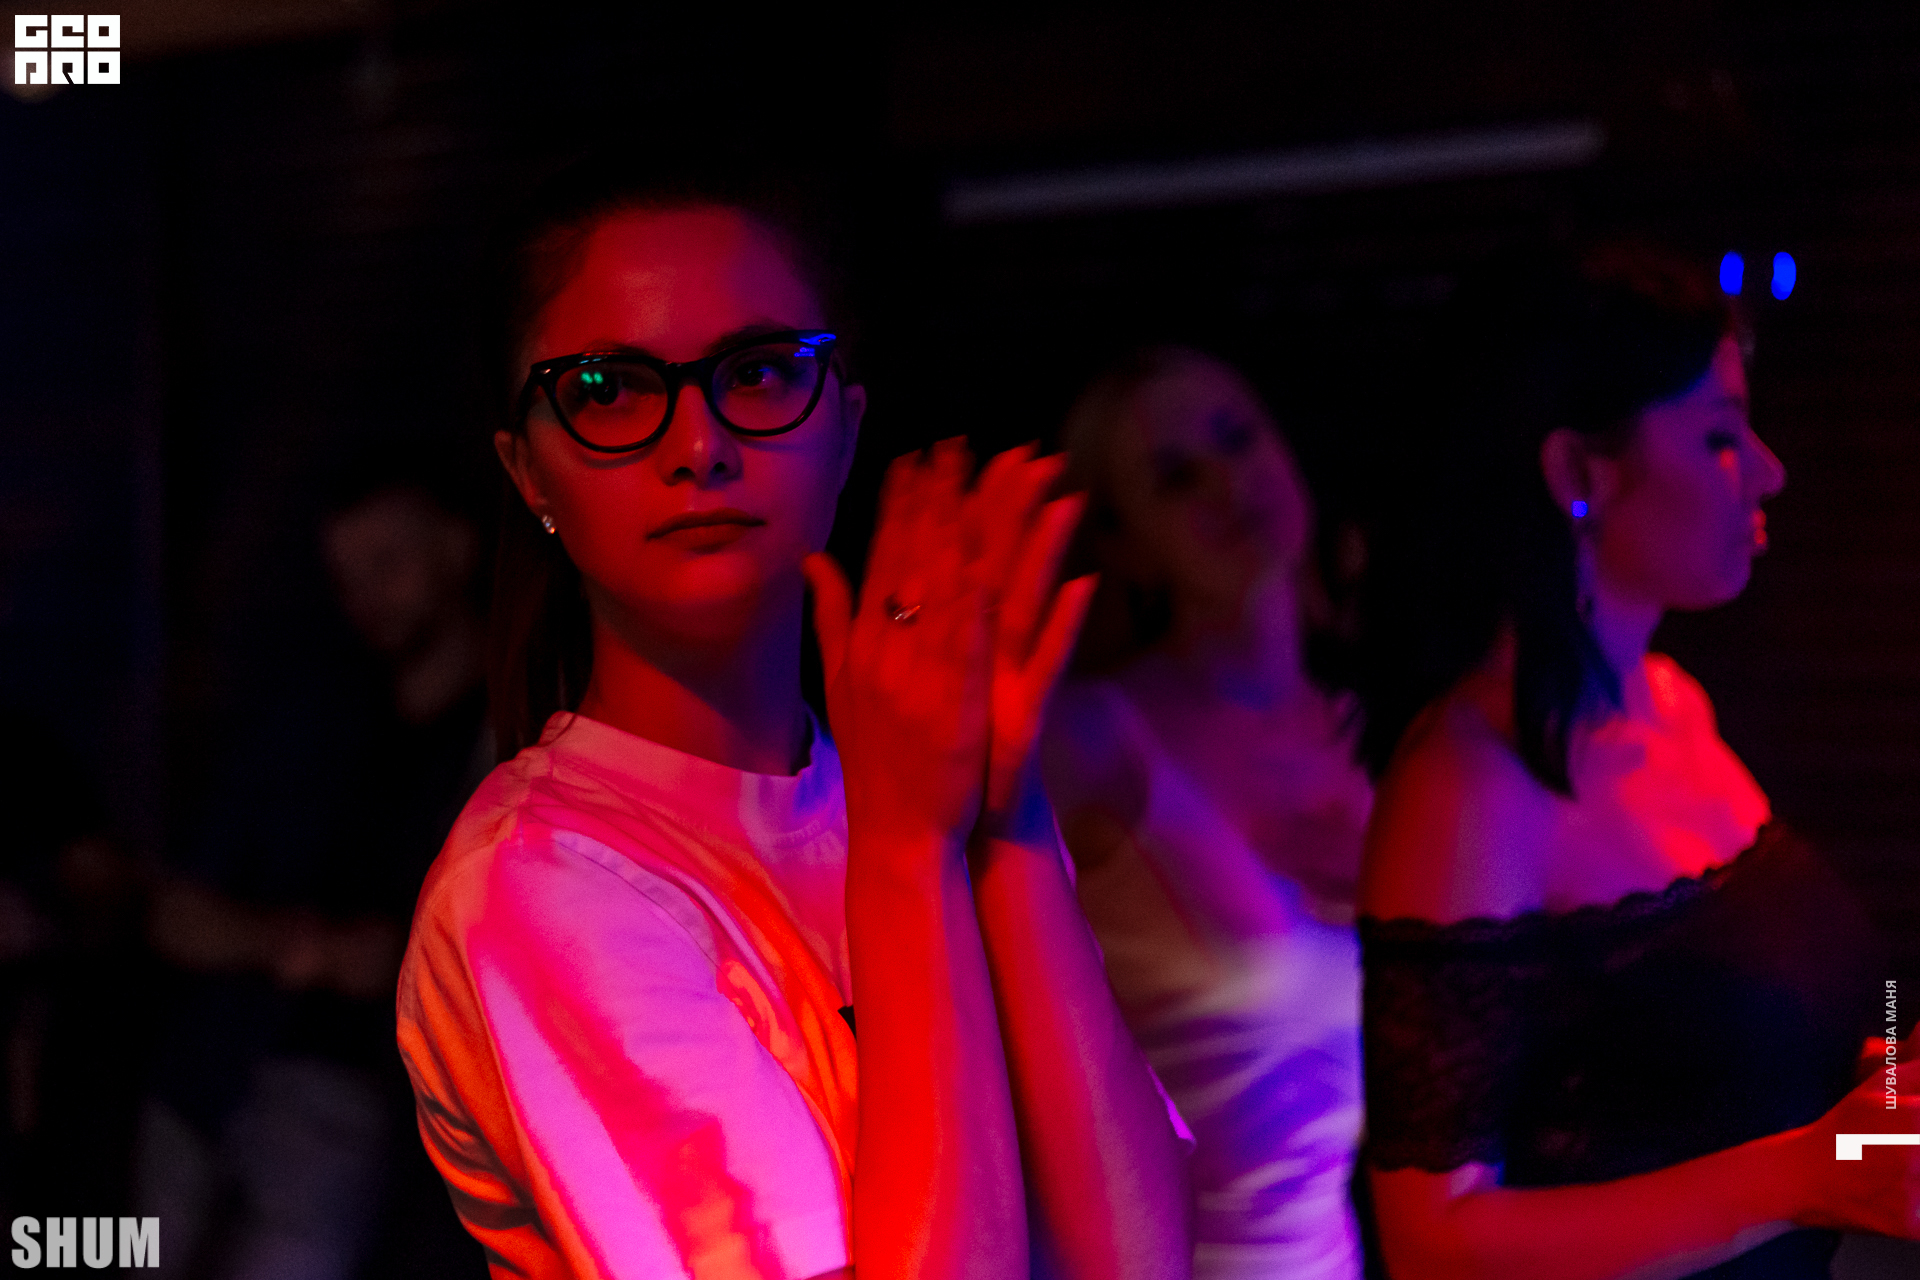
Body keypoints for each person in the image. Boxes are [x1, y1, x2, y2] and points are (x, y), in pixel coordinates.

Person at [394, 157, 1192, 1280]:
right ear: (529, 472)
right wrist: (906, 851)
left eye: (761, 373)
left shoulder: (900, 773)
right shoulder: (543, 882)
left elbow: (1137, 1257)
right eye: (611, 390)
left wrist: (1003, 813)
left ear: (846, 428)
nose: (700, 445)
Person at [1354, 243, 1918, 1280]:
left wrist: (1890, 1084)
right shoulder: (1470, 786)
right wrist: (1814, 1171)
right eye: (1720, 436)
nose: (1769, 470)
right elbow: (1431, 1239)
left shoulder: (1673, 700)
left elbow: (1841, 1015)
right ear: (1579, 473)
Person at [1040, 347, 1371, 1280]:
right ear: (1126, 545)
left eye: (1238, 439)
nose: (1228, 484)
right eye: (1176, 476)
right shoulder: (1091, 740)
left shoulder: (1380, 733)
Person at [136, 467, 490, 1280]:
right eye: (348, 576)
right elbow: (176, 913)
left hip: (362, 1109)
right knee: (110, 1249)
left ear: (456, 548)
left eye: (388, 563)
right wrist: (305, 948)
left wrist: (393, 960)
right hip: (210, 1075)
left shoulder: (522, 740)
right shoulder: (306, 727)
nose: (365, 596)